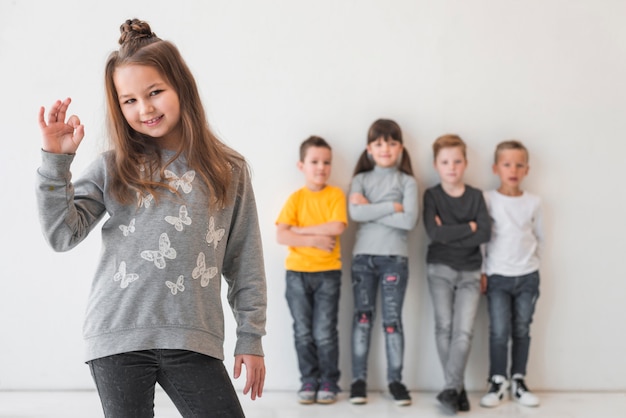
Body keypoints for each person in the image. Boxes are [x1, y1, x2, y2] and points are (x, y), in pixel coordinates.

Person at [35, 18, 266, 418]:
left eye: (155, 92)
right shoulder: (114, 167)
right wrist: (57, 163)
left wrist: (251, 336)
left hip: (193, 338)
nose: (145, 108)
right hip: (117, 335)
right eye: (129, 100)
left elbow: (245, 262)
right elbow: (62, 235)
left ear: (182, 87)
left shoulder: (229, 169)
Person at [348, 119, 418, 406]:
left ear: (400, 147)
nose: (385, 148)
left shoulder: (408, 181)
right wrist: (392, 206)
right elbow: (355, 214)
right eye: (378, 143)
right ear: (369, 149)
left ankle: (396, 382)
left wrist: (370, 208)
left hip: (395, 261)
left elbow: (409, 220)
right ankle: (358, 381)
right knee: (363, 319)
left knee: (392, 323)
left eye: (391, 142)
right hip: (363, 259)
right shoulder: (360, 180)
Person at [276, 136, 347, 405]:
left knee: (325, 332)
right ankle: (309, 379)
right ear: (301, 165)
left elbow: (337, 227)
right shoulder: (296, 199)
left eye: (326, 162)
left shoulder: (335, 195)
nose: (321, 167)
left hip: (328, 273)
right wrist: (315, 240)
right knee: (303, 331)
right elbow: (282, 236)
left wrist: (300, 231)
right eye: (314, 161)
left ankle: (329, 381)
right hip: (296, 274)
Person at [423, 134, 491, 413]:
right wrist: (469, 228)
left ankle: (451, 389)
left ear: (466, 163)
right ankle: (456, 389)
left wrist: (454, 233)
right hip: (439, 269)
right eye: (445, 162)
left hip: (471, 272)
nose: (451, 167)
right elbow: (434, 232)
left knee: (463, 332)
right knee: (444, 328)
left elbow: (485, 232)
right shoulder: (432, 195)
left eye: (457, 161)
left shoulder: (476, 196)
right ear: (436, 165)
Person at [479, 140, 543, 408]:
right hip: (497, 277)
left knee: (521, 328)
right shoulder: (488, 199)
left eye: (519, 164)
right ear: (496, 168)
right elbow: (482, 240)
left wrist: (532, 266)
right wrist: (482, 271)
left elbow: (540, 237)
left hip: (527, 276)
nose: (513, 169)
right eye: (507, 164)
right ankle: (497, 380)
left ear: (527, 169)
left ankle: (518, 379)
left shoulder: (534, 202)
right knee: (499, 330)